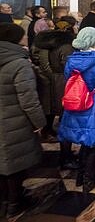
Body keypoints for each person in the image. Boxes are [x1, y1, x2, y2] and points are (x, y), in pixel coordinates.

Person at [58, 27, 95, 194]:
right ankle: (89, 179)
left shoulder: (72, 59)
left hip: (75, 104)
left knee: (83, 141)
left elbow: (68, 79)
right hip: (93, 105)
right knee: (93, 144)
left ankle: (80, 175)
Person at [0, 23, 46, 218]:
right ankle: (15, 202)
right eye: (23, 36)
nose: (27, 38)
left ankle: (5, 199)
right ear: (16, 40)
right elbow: (28, 100)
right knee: (15, 164)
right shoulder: (19, 63)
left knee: (3, 162)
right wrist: (40, 122)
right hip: (14, 121)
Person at [31, 16, 77, 149]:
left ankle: (49, 130)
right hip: (53, 78)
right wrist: (52, 75)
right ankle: (48, 132)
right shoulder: (55, 42)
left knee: (50, 107)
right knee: (52, 107)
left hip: (49, 78)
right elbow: (48, 62)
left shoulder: (46, 39)